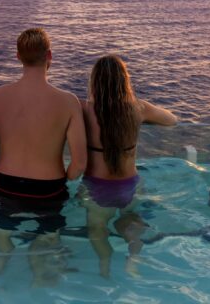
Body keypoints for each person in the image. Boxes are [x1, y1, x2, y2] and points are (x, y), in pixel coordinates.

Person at [0, 27, 86, 284]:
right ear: (50, 55)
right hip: (49, 190)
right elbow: (79, 164)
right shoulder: (68, 101)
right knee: (47, 245)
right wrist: (65, 178)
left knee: (2, 241)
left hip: (5, 185)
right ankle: (39, 281)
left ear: (18, 56)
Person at [80, 54, 177, 277]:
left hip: (97, 186)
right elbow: (172, 120)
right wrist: (144, 118)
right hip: (129, 185)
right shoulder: (138, 109)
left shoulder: (84, 109)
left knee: (97, 230)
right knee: (132, 223)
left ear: (95, 81)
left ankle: (105, 266)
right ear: (125, 80)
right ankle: (133, 259)